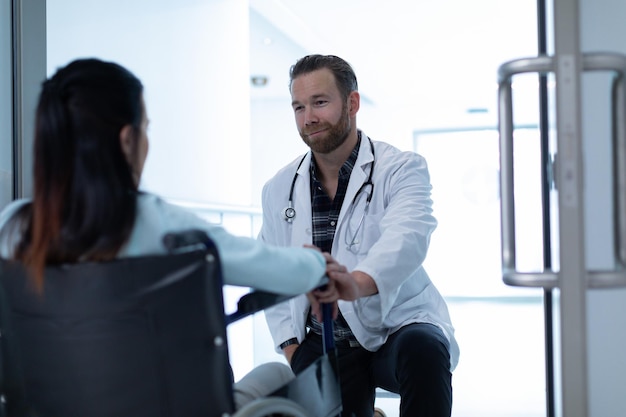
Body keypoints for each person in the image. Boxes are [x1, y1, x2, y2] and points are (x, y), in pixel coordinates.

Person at [0, 58, 328, 412]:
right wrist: (317, 263)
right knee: (276, 373)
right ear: (128, 140)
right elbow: (278, 269)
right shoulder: (158, 224)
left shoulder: (13, 228)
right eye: (146, 129)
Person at [260, 54, 460, 417]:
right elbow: (273, 270)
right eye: (299, 107)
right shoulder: (279, 189)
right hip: (325, 340)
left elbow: (407, 237)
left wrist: (356, 283)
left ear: (352, 103)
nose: (309, 118)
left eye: (320, 102)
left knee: (425, 351)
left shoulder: (400, 168)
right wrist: (291, 345)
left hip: (397, 325)